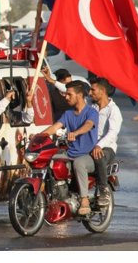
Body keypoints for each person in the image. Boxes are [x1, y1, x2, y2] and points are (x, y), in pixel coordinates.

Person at [41, 81, 98, 215]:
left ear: (79, 95)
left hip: (88, 155)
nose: (66, 97)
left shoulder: (91, 112)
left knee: (79, 163)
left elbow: (89, 125)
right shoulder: (68, 114)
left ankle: (84, 200)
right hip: (70, 153)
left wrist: (76, 133)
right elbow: (55, 127)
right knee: (48, 158)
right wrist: (40, 136)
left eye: (69, 94)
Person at [88, 77, 121, 207]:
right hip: (89, 145)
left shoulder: (113, 110)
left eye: (93, 90)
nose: (90, 93)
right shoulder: (91, 106)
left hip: (106, 148)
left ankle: (103, 190)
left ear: (102, 91)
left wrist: (99, 145)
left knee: (98, 156)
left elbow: (113, 132)